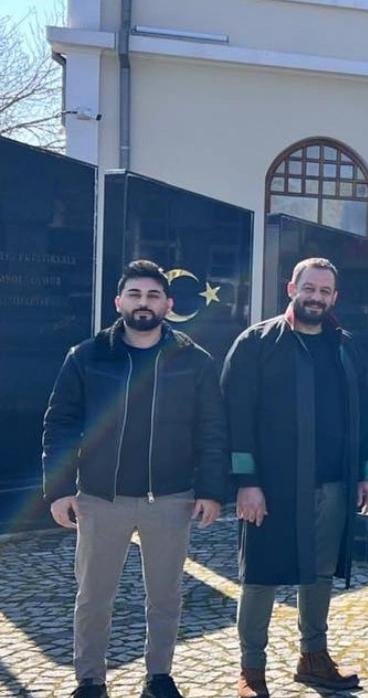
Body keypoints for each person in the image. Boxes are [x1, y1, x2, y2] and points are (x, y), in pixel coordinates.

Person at [42, 260, 228, 698]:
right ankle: (90, 680)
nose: (144, 304)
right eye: (135, 295)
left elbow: (212, 430)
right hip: (100, 498)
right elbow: (61, 424)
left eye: (152, 296)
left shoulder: (193, 361)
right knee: (93, 597)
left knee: (165, 596)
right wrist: (59, 490)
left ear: (168, 304)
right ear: (119, 302)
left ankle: (159, 676)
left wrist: (212, 491)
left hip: (171, 497)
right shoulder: (86, 357)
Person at [222, 258, 368, 698]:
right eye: (308, 287)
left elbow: (364, 416)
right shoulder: (257, 343)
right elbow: (235, 415)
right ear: (291, 287)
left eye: (324, 291)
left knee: (321, 573)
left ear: (335, 297)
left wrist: (367, 474)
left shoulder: (345, 346)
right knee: (260, 575)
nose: (315, 296)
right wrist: (246, 481)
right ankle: (251, 670)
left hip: (333, 483)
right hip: (271, 487)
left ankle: (313, 657)